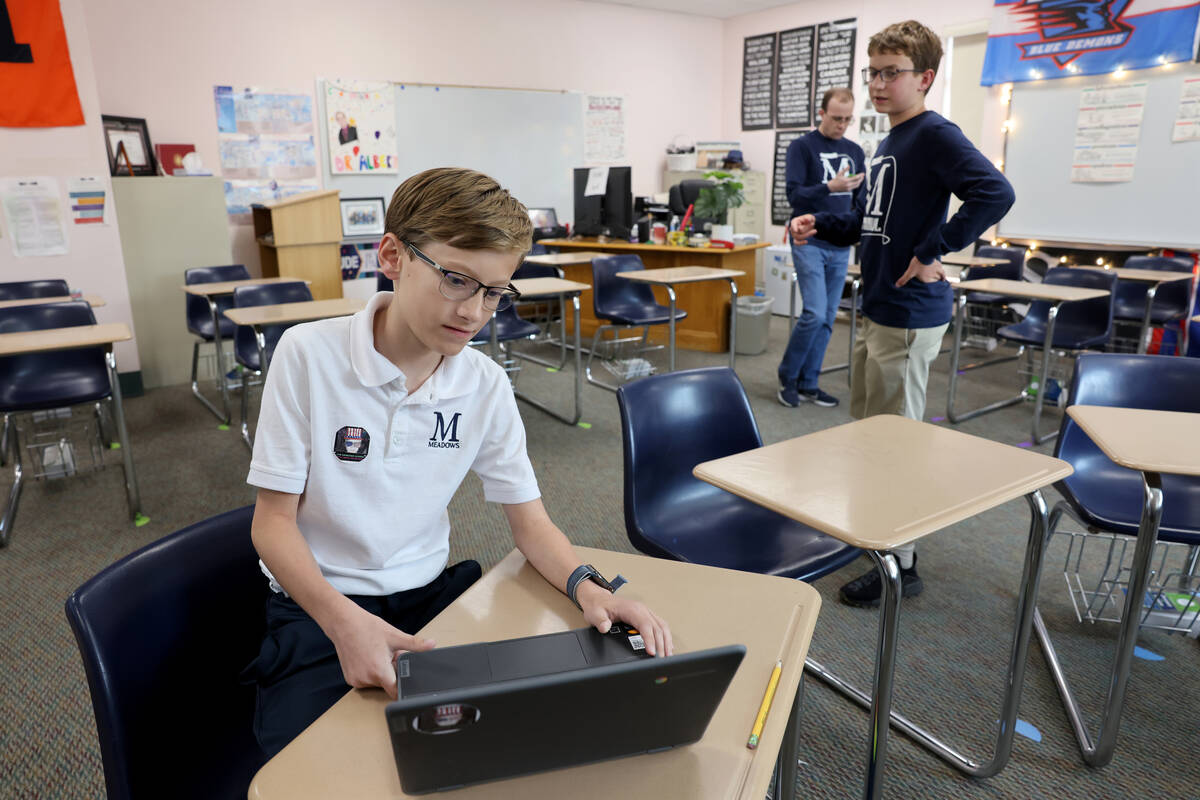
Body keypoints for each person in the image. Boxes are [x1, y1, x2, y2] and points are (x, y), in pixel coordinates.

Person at [243, 167, 673, 758]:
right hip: (319, 605)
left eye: (495, 292)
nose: (475, 312)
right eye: (456, 280)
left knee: (512, 744)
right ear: (392, 256)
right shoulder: (307, 355)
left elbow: (531, 523)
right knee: (305, 768)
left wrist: (590, 587)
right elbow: (271, 523)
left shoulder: (485, 385)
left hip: (430, 598)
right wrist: (345, 624)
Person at [789, 20, 1015, 606]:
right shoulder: (891, 141)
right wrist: (825, 223)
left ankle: (900, 564)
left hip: (911, 313)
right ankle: (874, 534)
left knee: (897, 443)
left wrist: (933, 249)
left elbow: (996, 193)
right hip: (880, 306)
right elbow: (874, 222)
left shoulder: (934, 133)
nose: (879, 84)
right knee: (869, 434)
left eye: (893, 73)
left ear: (926, 78)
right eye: (874, 72)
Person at [777, 87, 866, 409]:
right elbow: (794, 197)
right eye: (836, 118)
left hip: (841, 245)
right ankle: (788, 377)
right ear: (822, 114)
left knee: (829, 316)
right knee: (813, 313)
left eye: (847, 119)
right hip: (809, 240)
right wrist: (831, 186)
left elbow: (861, 201)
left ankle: (809, 383)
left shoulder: (855, 151)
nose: (841, 125)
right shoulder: (802, 147)